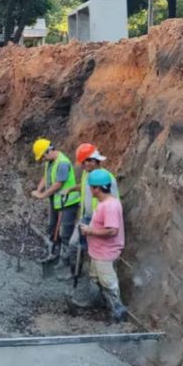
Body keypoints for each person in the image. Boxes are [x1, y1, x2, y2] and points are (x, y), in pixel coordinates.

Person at [58, 143, 119, 279]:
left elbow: (113, 203)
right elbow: (84, 186)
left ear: (92, 161)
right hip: (85, 217)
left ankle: (95, 280)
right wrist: (71, 189)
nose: (82, 166)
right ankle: (75, 272)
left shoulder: (108, 179)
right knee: (74, 245)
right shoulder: (87, 173)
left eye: (84, 162)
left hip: (99, 221)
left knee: (95, 251)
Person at [79, 169, 128, 323]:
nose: (89, 190)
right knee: (94, 277)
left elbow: (112, 231)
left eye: (91, 187)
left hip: (105, 253)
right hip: (97, 251)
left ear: (97, 189)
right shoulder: (105, 203)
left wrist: (90, 231)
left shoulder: (110, 206)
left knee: (109, 283)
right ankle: (98, 304)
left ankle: (118, 313)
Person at [31, 138, 81, 265]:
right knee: (52, 227)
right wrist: (38, 189)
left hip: (67, 202)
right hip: (56, 201)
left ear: (47, 152)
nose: (42, 160)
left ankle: (65, 260)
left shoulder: (62, 163)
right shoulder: (51, 162)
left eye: (42, 157)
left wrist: (42, 195)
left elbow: (58, 184)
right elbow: (46, 176)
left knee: (65, 231)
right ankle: (53, 252)